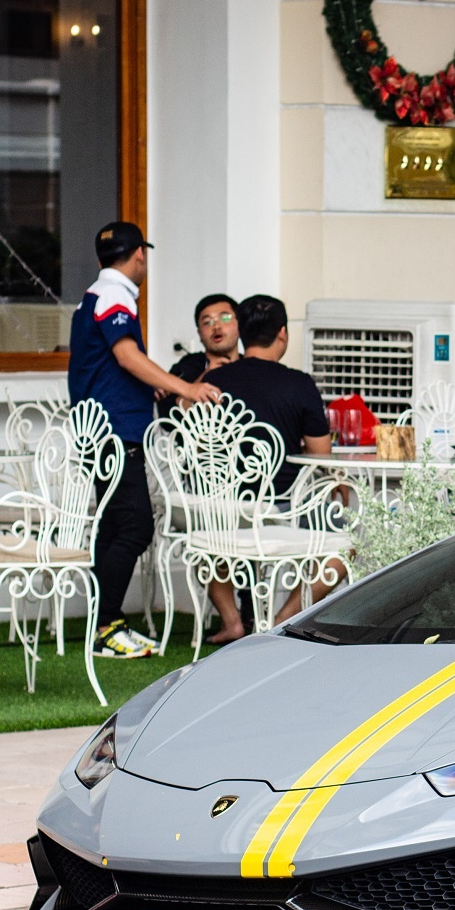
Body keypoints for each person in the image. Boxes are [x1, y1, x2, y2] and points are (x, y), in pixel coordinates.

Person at [67, 220, 221, 659]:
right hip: (115, 433)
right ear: (139, 254)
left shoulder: (94, 295)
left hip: (102, 430)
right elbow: (125, 355)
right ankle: (107, 627)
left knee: (114, 527)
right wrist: (184, 387)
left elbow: (113, 364)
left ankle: (105, 624)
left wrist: (147, 385)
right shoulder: (114, 295)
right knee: (136, 526)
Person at [199, 294, 335, 643]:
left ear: (241, 333)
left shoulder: (214, 381)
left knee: (206, 540)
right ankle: (277, 623)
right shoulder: (299, 384)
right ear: (283, 333)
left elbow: (197, 441)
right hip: (286, 505)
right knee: (339, 553)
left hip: (226, 507)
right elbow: (322, 456)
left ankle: (232, 621)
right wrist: (340, 488)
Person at [158, 293, 238, 417]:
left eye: (225, 318)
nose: (216, 326)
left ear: (240, 324)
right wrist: (207, 375)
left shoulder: (250, 365)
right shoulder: (187, 368)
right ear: (199, 333)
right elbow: (168, 416)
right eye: (207, 322)